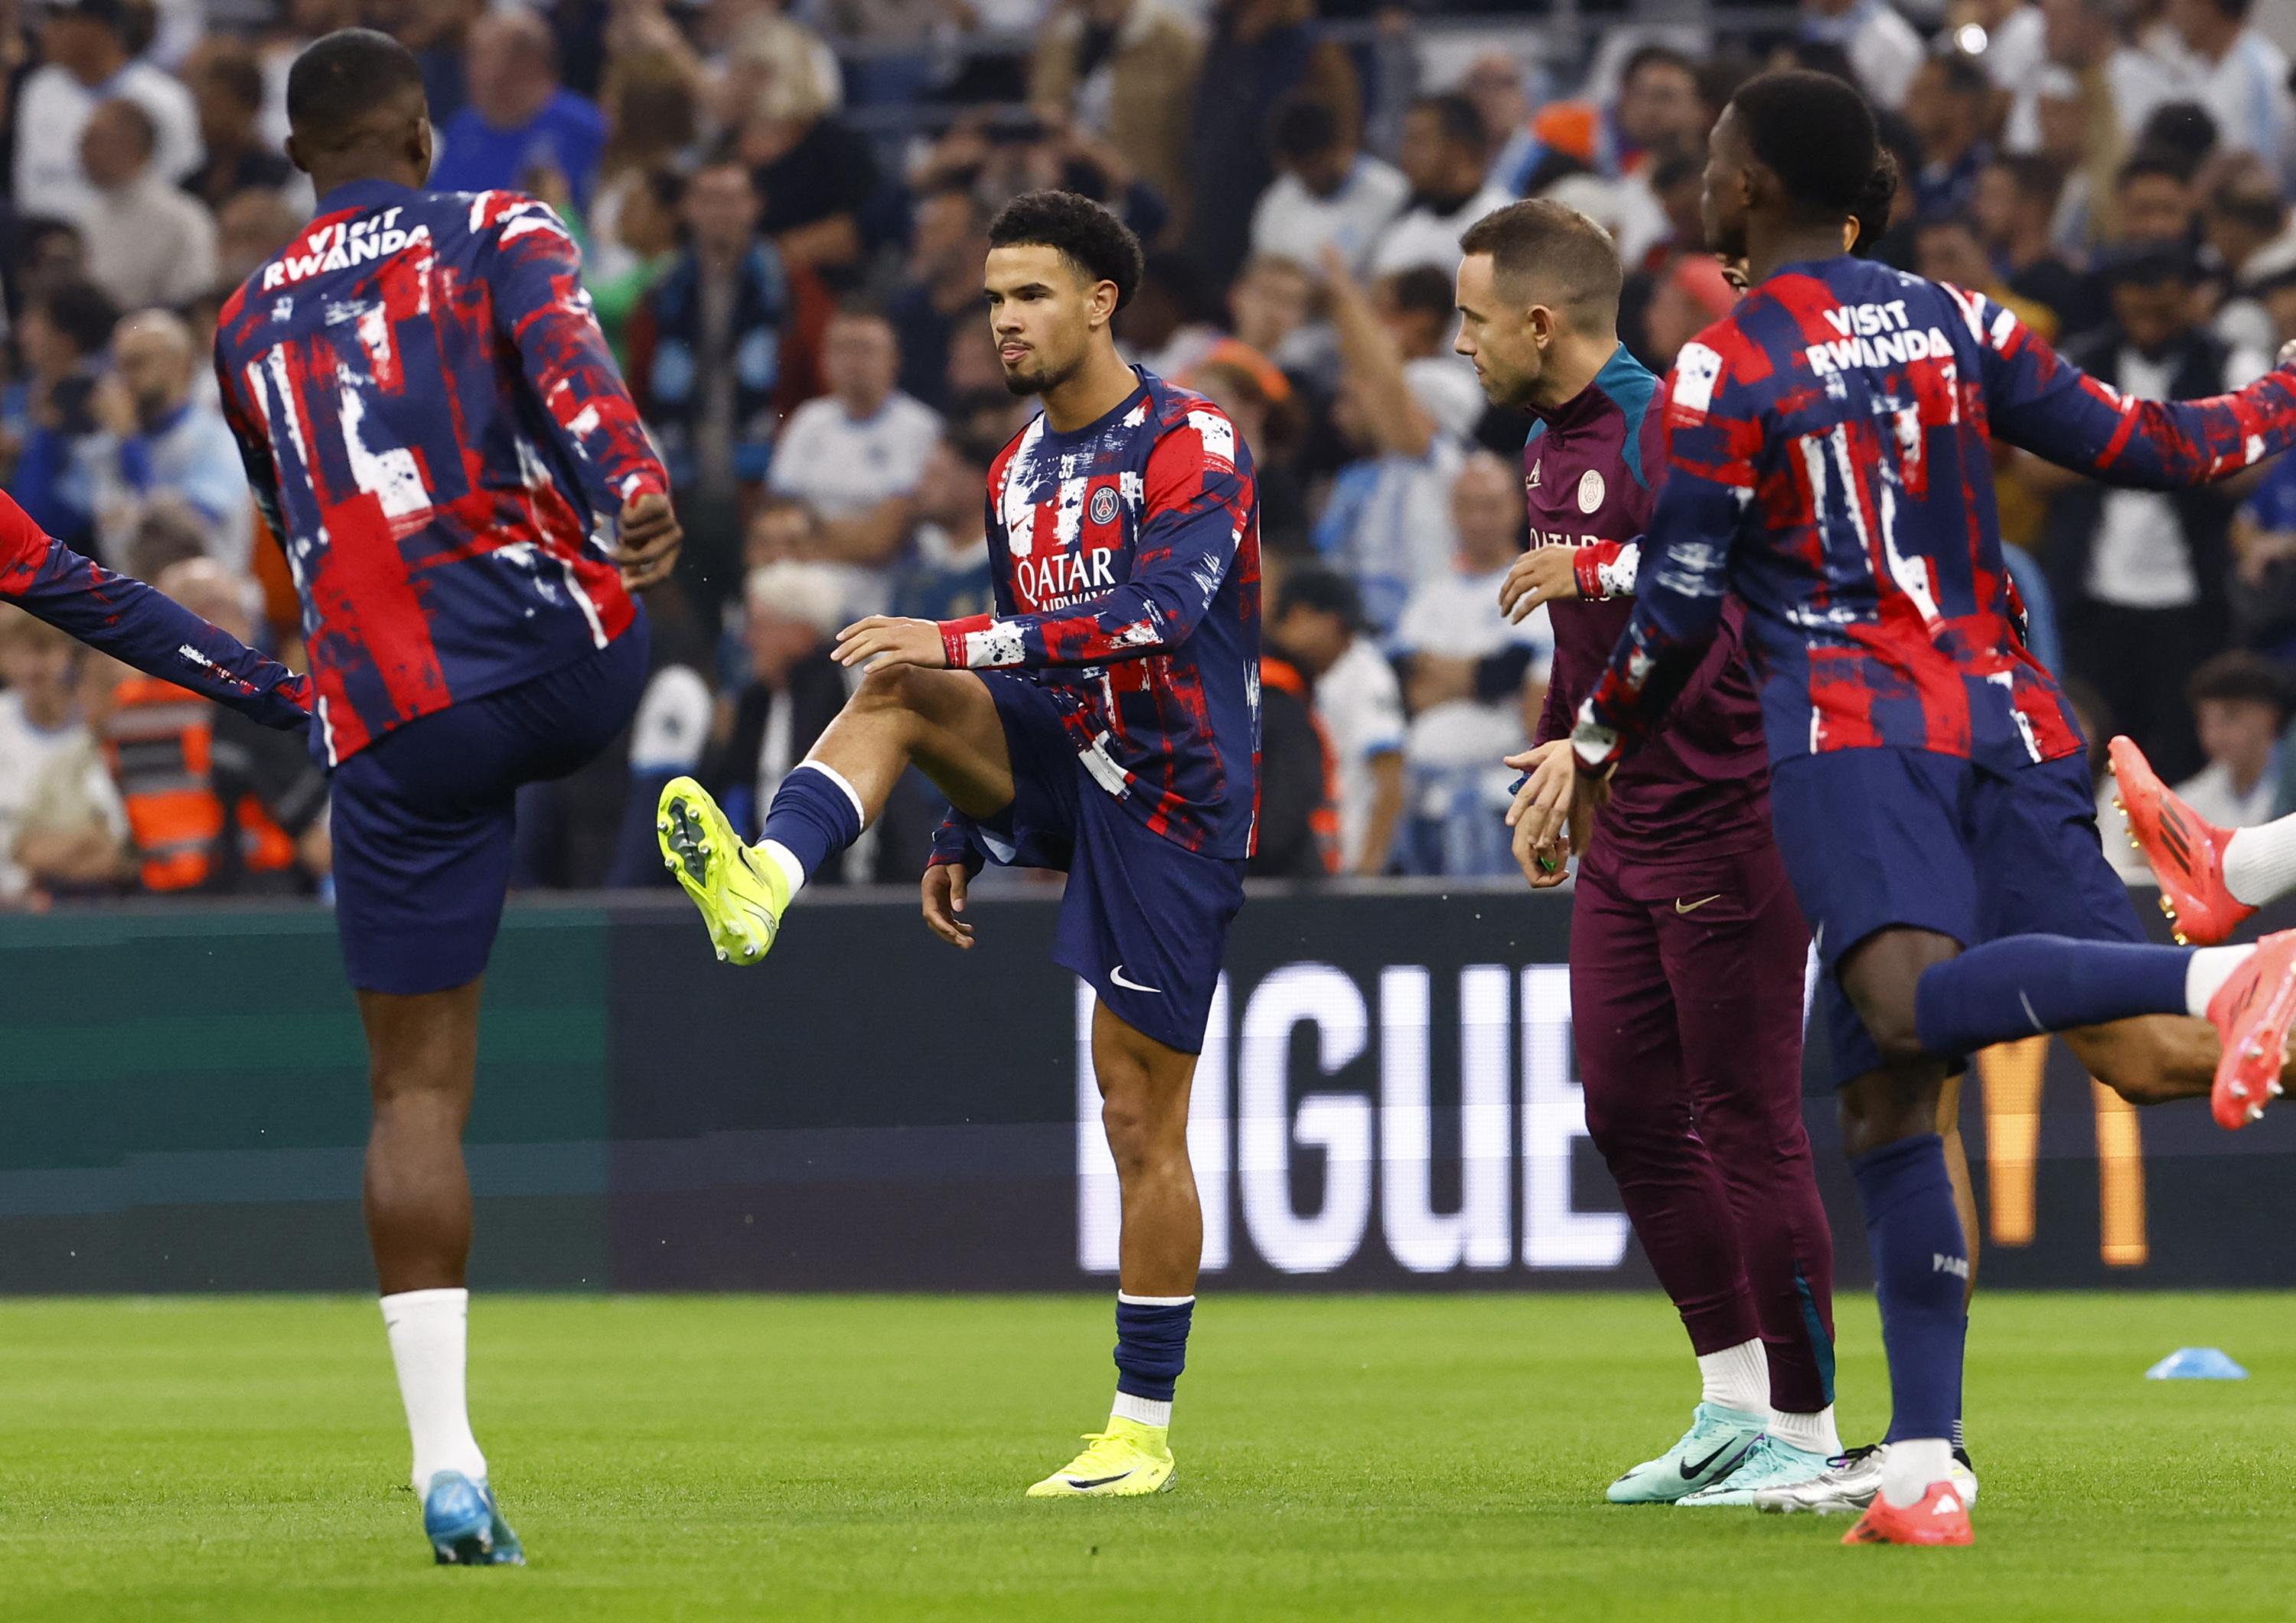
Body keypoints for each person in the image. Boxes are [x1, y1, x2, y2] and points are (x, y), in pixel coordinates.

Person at [1564, 70, 2296, 1547]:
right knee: (2106, 1066)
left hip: (1851, 729)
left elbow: (1687, 598)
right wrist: (2286, 387)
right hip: (2015, 716)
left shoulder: (1723, 364)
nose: (1700, 182)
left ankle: (2230, 960)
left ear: (1761, 185)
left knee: (1904, 1021)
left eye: (1715, 158)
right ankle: (1925, 1467)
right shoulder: (1959, 317)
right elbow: (2158, 446)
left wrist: (1591, 741)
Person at [651, 190, 1259, 1500]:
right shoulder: (1016, 469)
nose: (1002, 322)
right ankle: (765, 880)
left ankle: (1138, 1432)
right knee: (895, 693)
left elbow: (1158, 616)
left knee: (1137, 1109)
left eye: (1029, 294)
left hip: (1173, 792)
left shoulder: (1191, 438)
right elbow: (1013, 658)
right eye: (991, 300)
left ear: (1103, 300)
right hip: (1057, 749)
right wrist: (958, 820)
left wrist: (960, 642)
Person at [210, 29, 680, 1566]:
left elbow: (295, 518)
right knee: (661, 647)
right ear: (423, 134)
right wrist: (634, 489)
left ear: (299, 160)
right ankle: (749, 842)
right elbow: (574, 371)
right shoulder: (500, 225)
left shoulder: (240, 323)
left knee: (413, 1095)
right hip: (563, 659)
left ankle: (447, 1463)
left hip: (391, 723)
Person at [1456, 199, 1845, 1507]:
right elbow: (1592, 646)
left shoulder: (1666, 422)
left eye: (1471, 319)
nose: (1460, 344)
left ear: (1539, 319)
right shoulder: (1550, 441)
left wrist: (1604, 574)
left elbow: (1743, 594)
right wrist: (1567, 764)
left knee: (1746, 1119)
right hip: (1626, 815)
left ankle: (1810, 1432)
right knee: (1626, 1112)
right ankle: (1733, 1401)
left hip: (1731, 812)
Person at [765, 304, 944, 619]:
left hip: (886, 592)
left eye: (865, 349)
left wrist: (815, 532)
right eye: (842, 348)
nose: (852, 362)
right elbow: (775, 524)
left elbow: (881, 543)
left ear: (894, 359)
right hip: (805, 583)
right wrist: (855, 533)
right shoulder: (808, 421)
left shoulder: (920, 429)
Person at [1264, 565, 1403, 875]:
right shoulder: (1276, 696)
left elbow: (1391, 778)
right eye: (1342, 629)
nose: (1348, 644)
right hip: (1275, 884)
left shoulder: (1261, 679)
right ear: (1300, 616)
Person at [90, 310, 253, 572]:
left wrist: (130, 442)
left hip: (207, 602)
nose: (122, 379)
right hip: (133, 604)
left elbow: (178, 534)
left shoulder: (218, 439)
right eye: (118, 365)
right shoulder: (110, 445)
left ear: (182, 364)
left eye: (137, 363)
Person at [14, 0, 202, 220]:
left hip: (131, 243)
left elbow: (182, 186)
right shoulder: (38, 89)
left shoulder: (167, 99)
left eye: (62, 20)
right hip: (43, 243)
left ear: (99, 29)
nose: (47, 31)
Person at [426, 9, 606, 212]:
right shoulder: (462, 127)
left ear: (526, 62)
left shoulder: (583, 127)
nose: (468, 69)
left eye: (481, 55)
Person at [72, 98, 219, 312]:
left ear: (133, 144)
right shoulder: (86, 217)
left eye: (94, 141)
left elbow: (194, 294)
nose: (83, 152)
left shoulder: (183, 218)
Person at [1249, 95, 1408, 275]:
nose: (1307, 176)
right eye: (1297, 169)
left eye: (1313, 164)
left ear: (1337, 147)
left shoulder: (1393, 195)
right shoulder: (1279, 197)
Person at [1368, 94, 1513, 280]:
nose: (1405, 153)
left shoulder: (1507, 225)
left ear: (1460, 150)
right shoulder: (1404, 229)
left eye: (1419, 141)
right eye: (1407, 140)